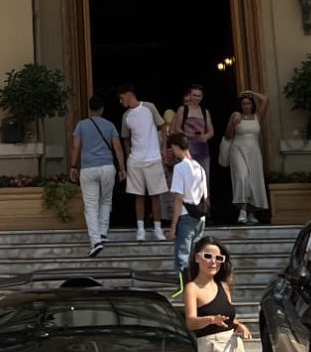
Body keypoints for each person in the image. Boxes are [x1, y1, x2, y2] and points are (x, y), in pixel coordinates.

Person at [69, 95, 125, 257]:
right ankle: (103, 232)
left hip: (88, 169)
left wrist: (73, 166)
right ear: (102, 109)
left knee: (91, 205)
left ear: (89, 108)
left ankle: (95, 241)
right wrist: (122, 168)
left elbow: (75, 147)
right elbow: (118, 148)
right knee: (106, 200)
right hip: (107, 167)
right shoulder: (109, 125)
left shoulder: (81, 125)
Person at [117, 82, 168, 241]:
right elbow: (125, 138)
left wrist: (164, 148)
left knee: (155, 195)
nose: (121, 102)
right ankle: (140, 229)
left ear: (128, 95)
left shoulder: (149, 107)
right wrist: (128, 155)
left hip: (153, 157)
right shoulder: (126, 116)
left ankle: (157, 228)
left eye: (121, 98)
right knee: (138, 195)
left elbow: (162, 126)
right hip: (136, 160)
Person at [166, 132, 209, 279]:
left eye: (173, 148)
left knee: (182, 257)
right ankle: (195, 284)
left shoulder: (180, 168)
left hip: (186, 216)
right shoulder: (200, 168)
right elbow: (205, 196)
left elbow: (178, 198)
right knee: (196, 256)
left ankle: (184, 289)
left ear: (177, 147)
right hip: (200, 217)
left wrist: (173, 227)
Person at [223, 92, 269, 225]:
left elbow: (265, 99)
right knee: (242, 177)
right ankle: (242, 210)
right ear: (240, 105)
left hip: (254, 152)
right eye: (243, 103)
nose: (246, 106)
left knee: (254, 181)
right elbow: (227, 136)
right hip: (237, 150)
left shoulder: (257, 116)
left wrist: (250, 91)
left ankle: (252, 213)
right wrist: (233, 124)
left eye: (248, 103)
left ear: (252, 104)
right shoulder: (236, 116)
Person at [169, 84, 215, 169]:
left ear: (202, 97)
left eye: (199, 96)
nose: (196, 98)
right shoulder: (183, 109)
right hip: (188, 146)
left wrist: (206, 136)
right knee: (189, 173)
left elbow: (211, 131)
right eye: (194, 95)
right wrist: (188, 135)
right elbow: (177, 129)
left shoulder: (205, 112)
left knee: (203, 174)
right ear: (190, 95)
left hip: (202, 147)